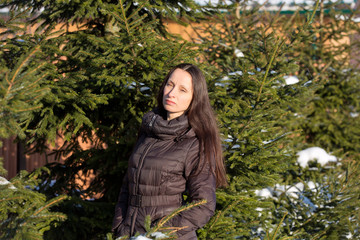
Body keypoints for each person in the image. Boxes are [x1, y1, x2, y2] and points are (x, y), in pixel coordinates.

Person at [112, 63, 228, 239]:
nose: (172, 93)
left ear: (194, 98)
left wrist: (159, 234)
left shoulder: (194, 143)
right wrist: (119, 228)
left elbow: (204, 205)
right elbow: (128, 185)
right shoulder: (149, 130)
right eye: (170, 84)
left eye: (182, 90)